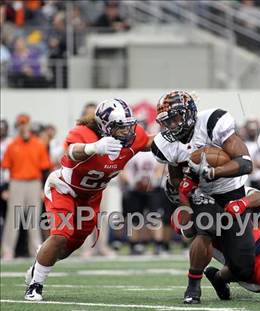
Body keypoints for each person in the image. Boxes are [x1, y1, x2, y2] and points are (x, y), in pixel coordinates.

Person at [24, 98, 153, 301]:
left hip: (91, 197)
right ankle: (35, 285)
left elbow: (149, 142)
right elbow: (70, 152)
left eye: (129, 126)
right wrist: (94, 147)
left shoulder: (132, 136)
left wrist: (178, 141)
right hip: (64, 189)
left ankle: (41, 259)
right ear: (105, 126)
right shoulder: (83, 133)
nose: (128, 132)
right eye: (121, 127)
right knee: (60, 235)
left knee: (67, 249)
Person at [151, 90, 254, 304]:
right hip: (202, 191)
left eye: (176, 118)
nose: (172, 126)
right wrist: (185, 195)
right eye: (167, 122)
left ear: (189, 112)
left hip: (230, 190)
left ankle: (218, 277)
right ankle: (193, 285)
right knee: (207, 227)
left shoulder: (212, 122)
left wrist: (213, 172)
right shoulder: (166, 144)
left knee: (244, 267)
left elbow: (246, 163)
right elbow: (177, 179)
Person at [1, 114, 50, 261]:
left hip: (34, 183)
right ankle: (8, 250)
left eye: (25, 124)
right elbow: (5, 169)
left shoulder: (38, 145)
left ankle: (35, 248)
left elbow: (44, 169)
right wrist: (5, 188)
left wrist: (43, 188)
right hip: (16, 183)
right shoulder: (12, 145)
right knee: (13, 218)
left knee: (33, 217)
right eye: (21, 124)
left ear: (29, 125)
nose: (23, 127)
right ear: (18, 127)